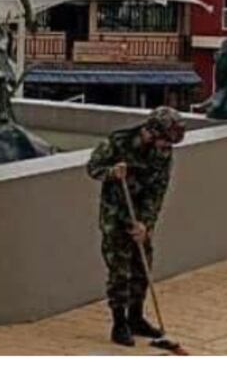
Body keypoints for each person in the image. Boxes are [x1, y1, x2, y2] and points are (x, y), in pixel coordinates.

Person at [86, 106, 185, 347]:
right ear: (151, 131)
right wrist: (112, 172)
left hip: (138, 216)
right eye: (163, 140)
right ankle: (119, 324)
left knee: (142, 266)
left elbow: (157, 191)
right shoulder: (118, 142)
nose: (166, 148)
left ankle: (136, 317)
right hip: (115, 214)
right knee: (120, 271)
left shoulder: (163, 153)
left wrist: (145, 225)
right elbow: (92, 168)